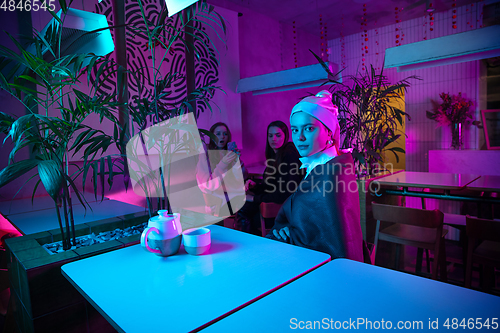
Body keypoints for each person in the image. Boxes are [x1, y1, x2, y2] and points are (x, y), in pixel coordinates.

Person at [266, 90, 364, 261]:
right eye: (295, 130)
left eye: (309, 128)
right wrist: (290, 228)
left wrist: (291, 234)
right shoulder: (328, 164)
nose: (300, 137)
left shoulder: (331, 173)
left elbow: (332, 244)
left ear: (328, 131)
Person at [235, 121, 304, 234]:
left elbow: (285, 193)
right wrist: (256, 186)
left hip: (282, 210)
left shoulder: (289, 153)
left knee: (243, 209)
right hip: (275, 206)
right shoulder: (275, 156)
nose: (274, 139)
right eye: (270, 135)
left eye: (278, 135)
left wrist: (254, 198)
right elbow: (273, 186)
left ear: (285, 135)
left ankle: (248, 245)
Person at [196, 122, 246, 217]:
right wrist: (223, 163)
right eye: (218, 134)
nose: (222, 137)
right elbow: (207, 185)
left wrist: (237, 163)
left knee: (253, 202)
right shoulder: (205, 153)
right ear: (211, 136)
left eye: (225, 134)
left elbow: (241, 179)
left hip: (232, 196)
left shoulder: (228, 153)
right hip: (216, 202)